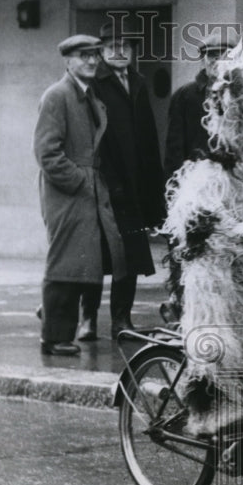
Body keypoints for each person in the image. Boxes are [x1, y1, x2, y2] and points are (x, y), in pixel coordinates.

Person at [33, 35, 127, 356]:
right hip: (67, 192)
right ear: (68, 61)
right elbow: (47, 153)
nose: (91, 61)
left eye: (94, 55)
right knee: (66, 262)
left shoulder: (86, 95)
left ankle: (53, 318)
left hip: (87, 189)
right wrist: (78, 181)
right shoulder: (57, 95)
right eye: (83, 56)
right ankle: (54, 337)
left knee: (90, 259)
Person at [76, 21, 165, 340]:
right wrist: (107, 180)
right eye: (112, 45)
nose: (119, 50)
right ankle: (86, 319)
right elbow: (89, 138)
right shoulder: (93, 86)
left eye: (125, 45)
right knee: (96, 256)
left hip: (135, 186)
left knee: (130, 256)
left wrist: (155, 189)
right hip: (104, 187)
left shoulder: (139, 83)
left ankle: (121, 319)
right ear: (100, 52)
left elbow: (148, 138)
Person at [159, 26, 239, 320]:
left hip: (233, 188)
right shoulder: (187, 96)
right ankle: (184, 311)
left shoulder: (241, 96)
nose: (216, 62)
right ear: (203, 60)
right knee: (192, 257)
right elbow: (174, 149)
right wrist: (174, 196)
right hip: (197, 188)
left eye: (223, 55)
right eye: (210, 56)